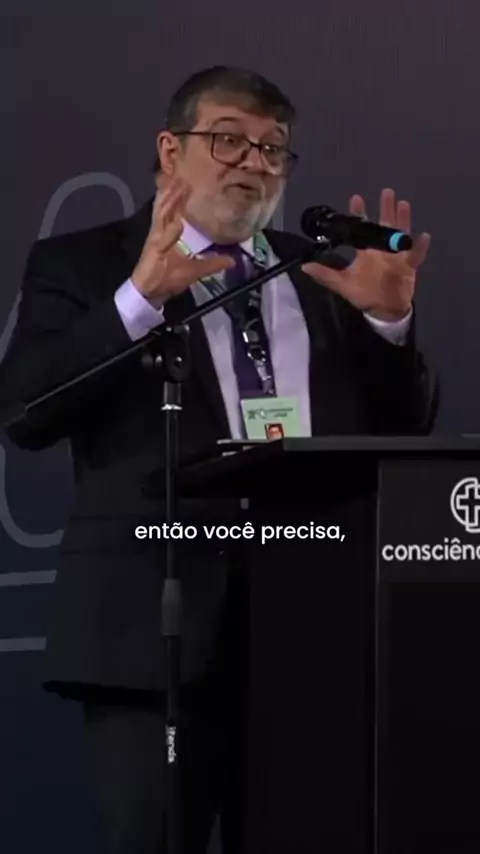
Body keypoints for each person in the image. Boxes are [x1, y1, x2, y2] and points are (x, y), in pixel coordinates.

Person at [0, 65, 438, 854]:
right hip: (152, 631)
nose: (253, 163)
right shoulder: (85, 264)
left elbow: (402, 434)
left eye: (273, 148)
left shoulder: (321, 269)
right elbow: (26, 412)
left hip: (311, 628)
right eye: (228, 140)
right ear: (171, 151)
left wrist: (389, 324)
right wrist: (137, 300)